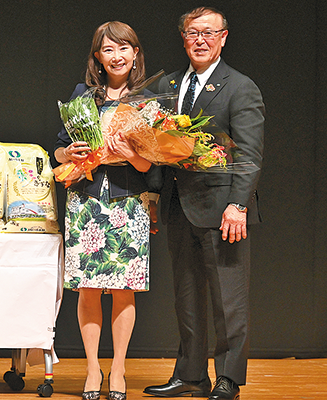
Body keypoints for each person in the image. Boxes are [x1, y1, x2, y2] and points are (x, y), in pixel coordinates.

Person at [143, 7, 265, 400]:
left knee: (228, 300)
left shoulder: (240, 86)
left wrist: (238, 205)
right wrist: (154, 193)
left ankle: (228, 378)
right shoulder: (167, 85)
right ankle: (191, 375)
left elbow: (249, 154)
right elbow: (154, 144)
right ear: (183, 38)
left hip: (223, 210)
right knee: (187, 297)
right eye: (193, 32)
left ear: (223, 38)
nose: (201, 40)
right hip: (179, 206)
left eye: (209, 33)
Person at [54, 21, 155, 400]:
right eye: (108, 49)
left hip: (129, 203)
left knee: (124, 289)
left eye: (123, 48)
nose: (117, 56)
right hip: (86, 201)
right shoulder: (83, 96)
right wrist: (69, 152)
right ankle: (93, 369)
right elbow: (58, 149)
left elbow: (150, 165)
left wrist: (131, 154)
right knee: (89, 288)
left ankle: (120, 369)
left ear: (135, 54)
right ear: (97, 57)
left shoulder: (147, 101)